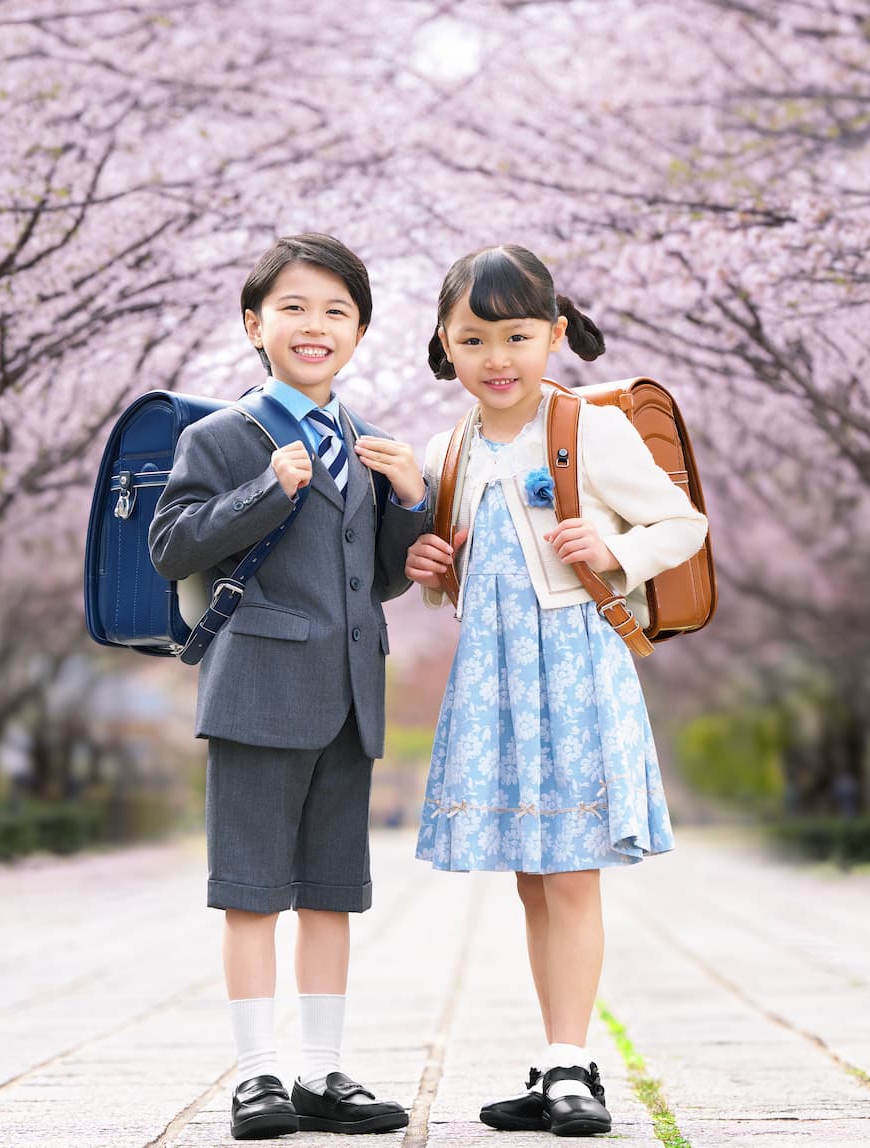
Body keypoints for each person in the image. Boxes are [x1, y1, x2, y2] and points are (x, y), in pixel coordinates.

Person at [404, 245, 708, 1137]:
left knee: (571, 876)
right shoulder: (445, 450)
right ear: (445, 346)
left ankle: (576, 1066)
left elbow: (681, 521)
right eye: (474, 339)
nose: (498, 358)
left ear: (555, 335)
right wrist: (429, 568)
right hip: (496, 679)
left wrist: (617, 550)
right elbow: (465, 579)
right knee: (534, 880)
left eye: (517, 335)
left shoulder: (587, 428)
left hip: (575, 671)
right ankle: (554, 1064)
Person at [150, 233, 429, 1141]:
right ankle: (256, 1075)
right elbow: (173, 546)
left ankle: (322, 1072)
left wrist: (414, 514)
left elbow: (372, 580)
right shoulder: (220, 436)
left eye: (338, 312)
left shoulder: (366, 443)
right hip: (258, 690)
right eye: (295, 308)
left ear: (360, 332)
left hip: (351, 694)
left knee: (330, 891)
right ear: (254, 324)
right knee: (250, 891)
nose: (316, 326)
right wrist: (266, 490)